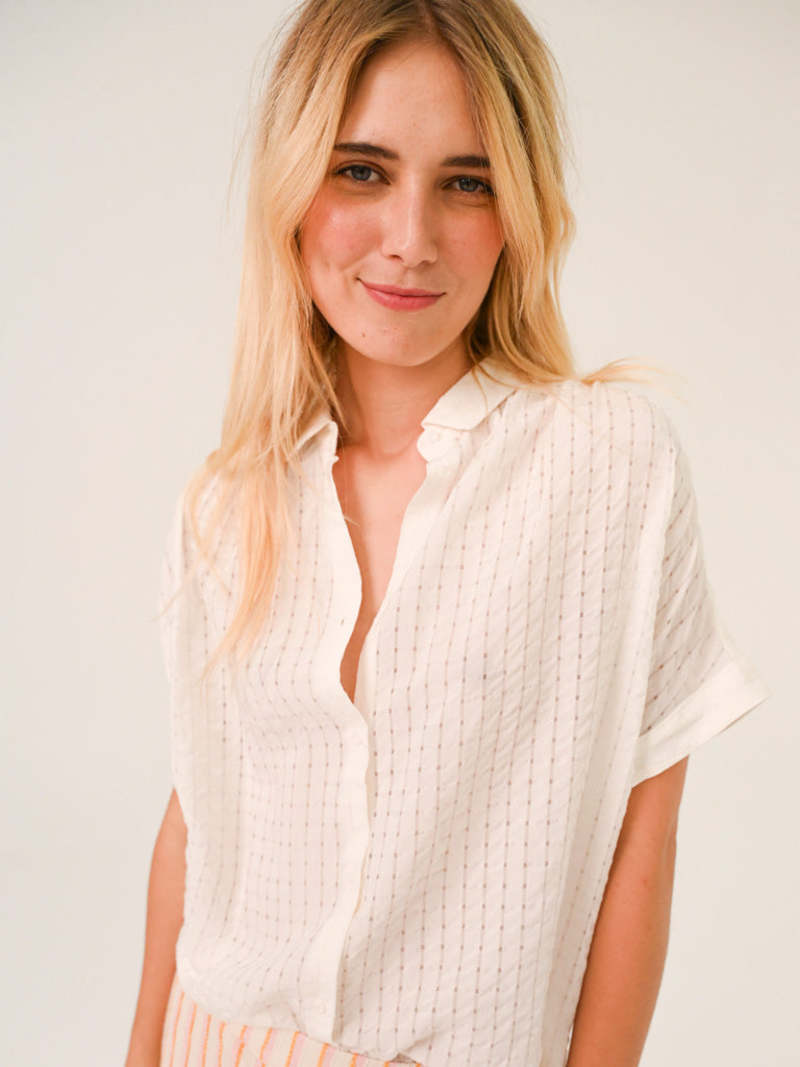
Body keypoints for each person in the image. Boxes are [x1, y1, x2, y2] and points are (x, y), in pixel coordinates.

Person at [125, 2, 771, 1065]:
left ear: (518, 208)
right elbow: (195, 825)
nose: (410, 239)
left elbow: (639, 845)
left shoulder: (606, 462)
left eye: (466, 182)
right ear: (292, 187)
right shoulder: (227, 503)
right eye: (361, 171)